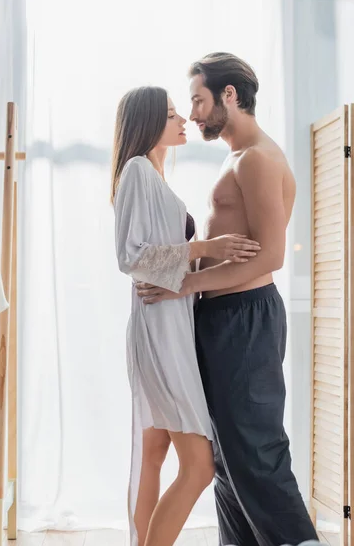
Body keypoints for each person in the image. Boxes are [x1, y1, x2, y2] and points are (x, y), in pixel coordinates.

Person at [136, 54, 319, 546]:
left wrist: (182, 283)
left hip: (246, 318)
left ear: (229, 95)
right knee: (226, 459)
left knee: (256, 451)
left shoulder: (258, 157)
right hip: (221, 319)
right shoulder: (236, 157)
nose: (192, 113)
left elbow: (272, 256)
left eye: (198, 100)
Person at [111, 85, 261, 546]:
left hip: (167, 322)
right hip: (161, 330)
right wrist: (207, 248)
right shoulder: (138, 170)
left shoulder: (153, 175)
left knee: (154, 450)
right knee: (198, 466)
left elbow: (155, 256)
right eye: (172, 114)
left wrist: (200, 263)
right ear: (149, 121)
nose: (183, 122)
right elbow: (130, 256)